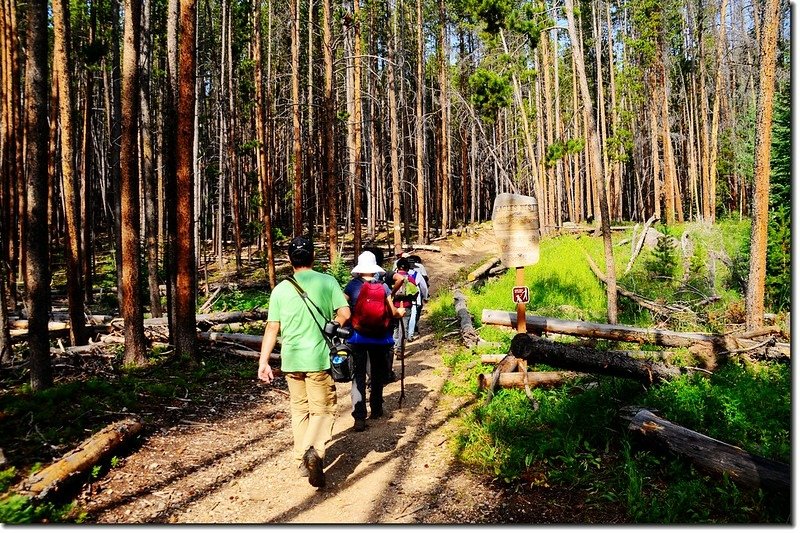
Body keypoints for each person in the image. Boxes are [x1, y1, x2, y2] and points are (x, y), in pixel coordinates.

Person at [258, 236, 350, 489]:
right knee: (322, 409)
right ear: (313, 257)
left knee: (299, 410)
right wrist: (335, 325)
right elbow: (345, 313)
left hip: (291, 361)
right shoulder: (327, 282)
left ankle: (302, 457)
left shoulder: (280, 289)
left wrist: (263, 362)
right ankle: (314, 452)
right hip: (319, 359)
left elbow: (272, 327)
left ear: (289, 259)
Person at [343, 251, 405, 432]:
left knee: (358, 376)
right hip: (379, 337)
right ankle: (376, 409)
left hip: (357, 338)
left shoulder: (352, 286)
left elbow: (341, 307)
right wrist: (399, 313)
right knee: (377, 374)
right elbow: (393, 312)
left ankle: (359, 417)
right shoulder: (383, 287)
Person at [390, 257, 419, 359]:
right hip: (406, 306)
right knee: (404, 328)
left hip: (394, 306)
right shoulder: (410, 278)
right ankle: (400, 350)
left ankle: (393, 346)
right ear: (407, 268)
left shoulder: (393, 277)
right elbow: (415, 291)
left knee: (396, 327)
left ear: (397, 268)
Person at [405, 255, 429, 341]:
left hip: (401, 300)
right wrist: (425, 297)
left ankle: (401, 335)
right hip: (415, 299)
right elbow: (424, 287)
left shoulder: (399, 274)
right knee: (413, 316)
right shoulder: (416, 274)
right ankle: (410, 334)